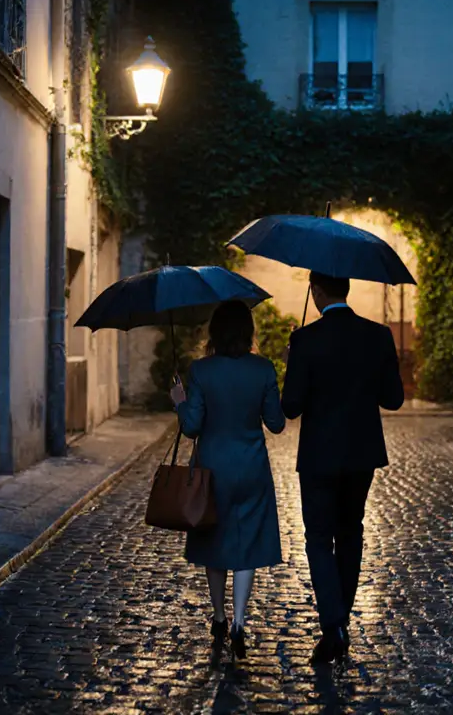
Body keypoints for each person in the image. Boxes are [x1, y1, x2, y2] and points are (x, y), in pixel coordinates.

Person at [281, 271, 405, 666]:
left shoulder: (304, 340)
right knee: (351, 532)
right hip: (360, 455)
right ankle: (341, 620)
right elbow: (394, 399)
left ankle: (332, 626)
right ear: (346, 289)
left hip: (318, 457)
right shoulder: (378, 335)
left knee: (318, 538)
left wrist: (294, 363)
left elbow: (291, 407)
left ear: (316, 292)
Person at [169, 300, 286, 660]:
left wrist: (179, 399)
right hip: (251, 468)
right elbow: (277, 424)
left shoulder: (201, 371)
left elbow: (191, 427)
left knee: (213, 542)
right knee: (247, 543)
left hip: (212, 470)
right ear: (248, 331)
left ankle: (218, 617)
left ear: (215, 332)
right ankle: (238, 622)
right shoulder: (264, 368)